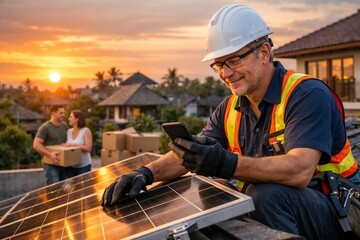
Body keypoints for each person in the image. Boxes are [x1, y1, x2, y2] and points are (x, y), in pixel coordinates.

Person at [101, 4, 360, 240]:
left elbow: (300, 170)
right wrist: (146, 174)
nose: (226, 73)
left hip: (340, 207)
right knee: (216, 191)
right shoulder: (230, 108)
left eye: (234, 60)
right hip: (292, 207)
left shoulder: (306, 94)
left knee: (264, 194)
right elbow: (194, 152)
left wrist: (226, 163)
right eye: (219, 64)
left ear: (265, 53)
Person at [33, 104, 68, 185]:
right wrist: (50, 155)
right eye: (61, 113)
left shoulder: (64, 125)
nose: (63, 115)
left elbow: (67, 140)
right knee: (54, 190)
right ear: (53, 113)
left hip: (63, 163)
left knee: (64, 191)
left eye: (64, 113)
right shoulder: (45, 127)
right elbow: (36, 144)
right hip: (50, 164)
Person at [63, 110, 92, 177]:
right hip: (71, 166)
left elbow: (89, 148)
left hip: (84, 166)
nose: (68, 119)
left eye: (71, 117)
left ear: (77, 119)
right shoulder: (69, 132)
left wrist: (75, 145)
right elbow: (69, 146)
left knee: (83, 187)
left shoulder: (85, 131)